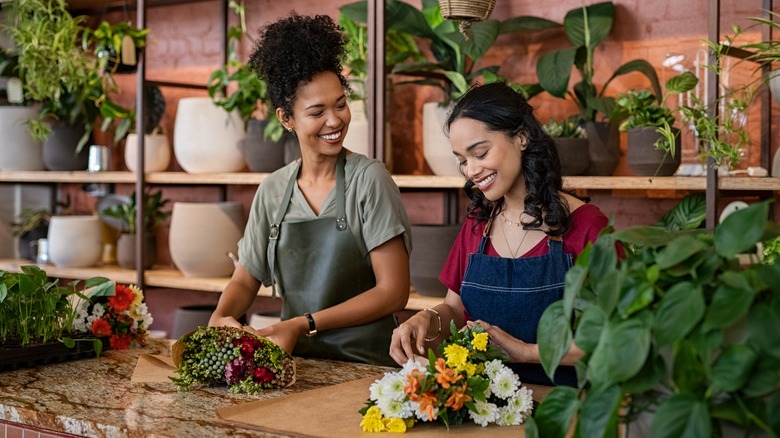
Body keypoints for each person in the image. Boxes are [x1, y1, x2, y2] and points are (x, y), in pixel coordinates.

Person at [209, 13, 412, 368]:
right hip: (298, 365)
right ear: (286, 119)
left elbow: (392, 292)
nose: (334, 121)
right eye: (317, 112)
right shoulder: (273, 191)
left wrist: (303, 324)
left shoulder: (369, 180)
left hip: (367, 366)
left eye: (340, 104)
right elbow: (245, 280)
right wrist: (219, 319)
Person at [389, 82, 609, 386]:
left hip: (563, 406)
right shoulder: (479, 224)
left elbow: (614, 339)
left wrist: (527, 352)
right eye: (463, 160)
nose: (471, 171)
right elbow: (455, 307)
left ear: (521, 137)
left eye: (480, 153)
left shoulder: (587, 227)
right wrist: (428, 319)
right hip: (482, 403)